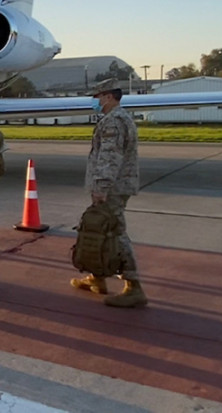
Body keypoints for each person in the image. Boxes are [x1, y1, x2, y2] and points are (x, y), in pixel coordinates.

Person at [71, 78, 146, 307]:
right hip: (114, 186)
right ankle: (97, 278)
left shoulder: (114, 122)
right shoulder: (118, 118)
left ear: (108, 96)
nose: (95, 101)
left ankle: (133, 286)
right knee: (100, 232)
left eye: (97, 97)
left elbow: (110, 157)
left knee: (115, 234)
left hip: (112, 188)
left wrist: (101, 187)